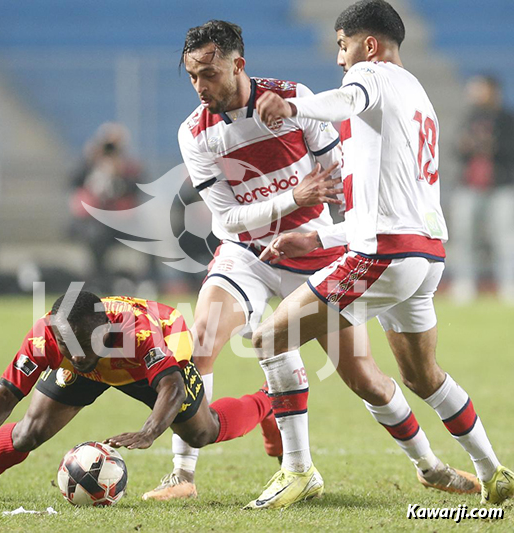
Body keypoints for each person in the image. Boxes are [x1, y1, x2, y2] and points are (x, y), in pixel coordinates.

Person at [143, 19, 478, 502]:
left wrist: (337, 222)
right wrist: (292, 196)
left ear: (238, 65)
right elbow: (226, 221)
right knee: (202, 339)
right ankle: (183, 475)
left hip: (315, 249)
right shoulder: (195, 133)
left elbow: (342, 171)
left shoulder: (291, 100)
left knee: (364, 377)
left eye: (209, 74)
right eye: (192, 75)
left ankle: (428, 464)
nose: (200, 87)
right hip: (249, 252)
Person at [251, 0, 514, 508]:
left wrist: (292, 107)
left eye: (342, 45)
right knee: (423, 377)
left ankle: (297, 470)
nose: (339, 58)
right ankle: (492, 469)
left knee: (268, 339)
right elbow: (389, 202)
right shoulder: (419, 95)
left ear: (368, 44)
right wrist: (321, 239)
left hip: (383, 259)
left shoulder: (371, 75)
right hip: (424, 257)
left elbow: (344, 98)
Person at [0, 290, 275, 502]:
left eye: (83, 341)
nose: (75, 352)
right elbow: (6, 393)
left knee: (202, 432)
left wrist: (149, 430)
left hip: (151, 360)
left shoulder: (137, 330)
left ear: (105, 328)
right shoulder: (45, 337)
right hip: (94, 371)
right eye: (66, 344)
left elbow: (172, 386)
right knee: (28, 431)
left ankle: (267, 402)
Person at [69, 123, 158, 291]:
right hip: (95, 223)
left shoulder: (128, 167)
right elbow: (74, 182)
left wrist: (120, 172)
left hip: (123, 221)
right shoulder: (89, 165)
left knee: (149, 239)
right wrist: (92, 162)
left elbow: (140, 188)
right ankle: (98, 281)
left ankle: (149, 281)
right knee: (96, 239)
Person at [450, 75, 514, 304]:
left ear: (493, 90)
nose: (475, 92)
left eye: (480, 88)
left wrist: (491, 146)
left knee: (505, 238)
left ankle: (508, 285)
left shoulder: (506, 119)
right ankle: (465, 284)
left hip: (501, 186)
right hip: (469, 186)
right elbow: (456, 149)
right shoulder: (470, 117)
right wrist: (466, 145)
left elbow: (508, 150)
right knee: (465, 237)